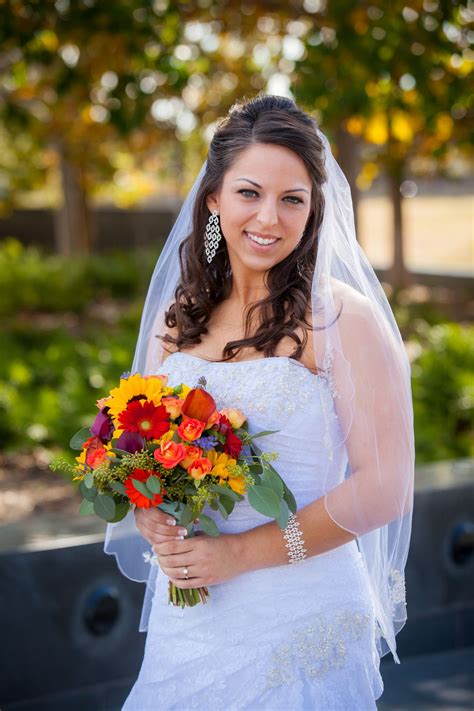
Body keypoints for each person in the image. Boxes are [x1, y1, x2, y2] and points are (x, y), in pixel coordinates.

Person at [105, 94, 415, 710]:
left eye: (292, 199)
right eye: (249, 193)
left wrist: (240, 553)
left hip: (299, 619)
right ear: (214, 201)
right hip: (189, 624)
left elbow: (385, 484)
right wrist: (152, 513)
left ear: (314, 211)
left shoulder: (339, 321)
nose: (269, 218)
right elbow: (136, 456)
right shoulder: (177, 321)